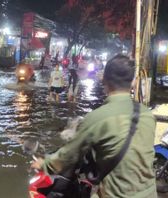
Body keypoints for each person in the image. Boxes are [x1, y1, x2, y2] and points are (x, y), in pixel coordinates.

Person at [33, 55, 157, 197]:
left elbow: (68, 155)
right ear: (133, 82)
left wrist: (44, 163)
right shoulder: (148, 115)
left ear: (104, 79)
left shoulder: (97, 118)